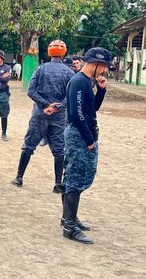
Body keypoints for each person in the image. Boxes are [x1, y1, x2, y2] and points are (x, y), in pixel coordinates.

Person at [61, 47, 113, 244]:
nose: (105, 71)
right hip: (78, 135)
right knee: (75, 178)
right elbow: (76, 115)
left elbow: (93, 108)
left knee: (73, 176)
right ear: (96, 64)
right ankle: (69, 227)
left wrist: (101, 90)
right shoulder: (79, 82)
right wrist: (89, 139)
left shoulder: (87, 82)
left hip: (81, 134)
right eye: (104, 67)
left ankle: (68, 218)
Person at [11, 40, 74, 193]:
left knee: (29, 145)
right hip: (59, 117)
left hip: (40, 114)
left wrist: (45, 105)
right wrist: (57, 106)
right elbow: (70, 97)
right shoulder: (70, 73)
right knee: (59, 149)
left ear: (48, 52)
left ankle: (19, 177)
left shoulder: (40, 69)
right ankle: (58, 184)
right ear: (64, 53)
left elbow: (31, 91)